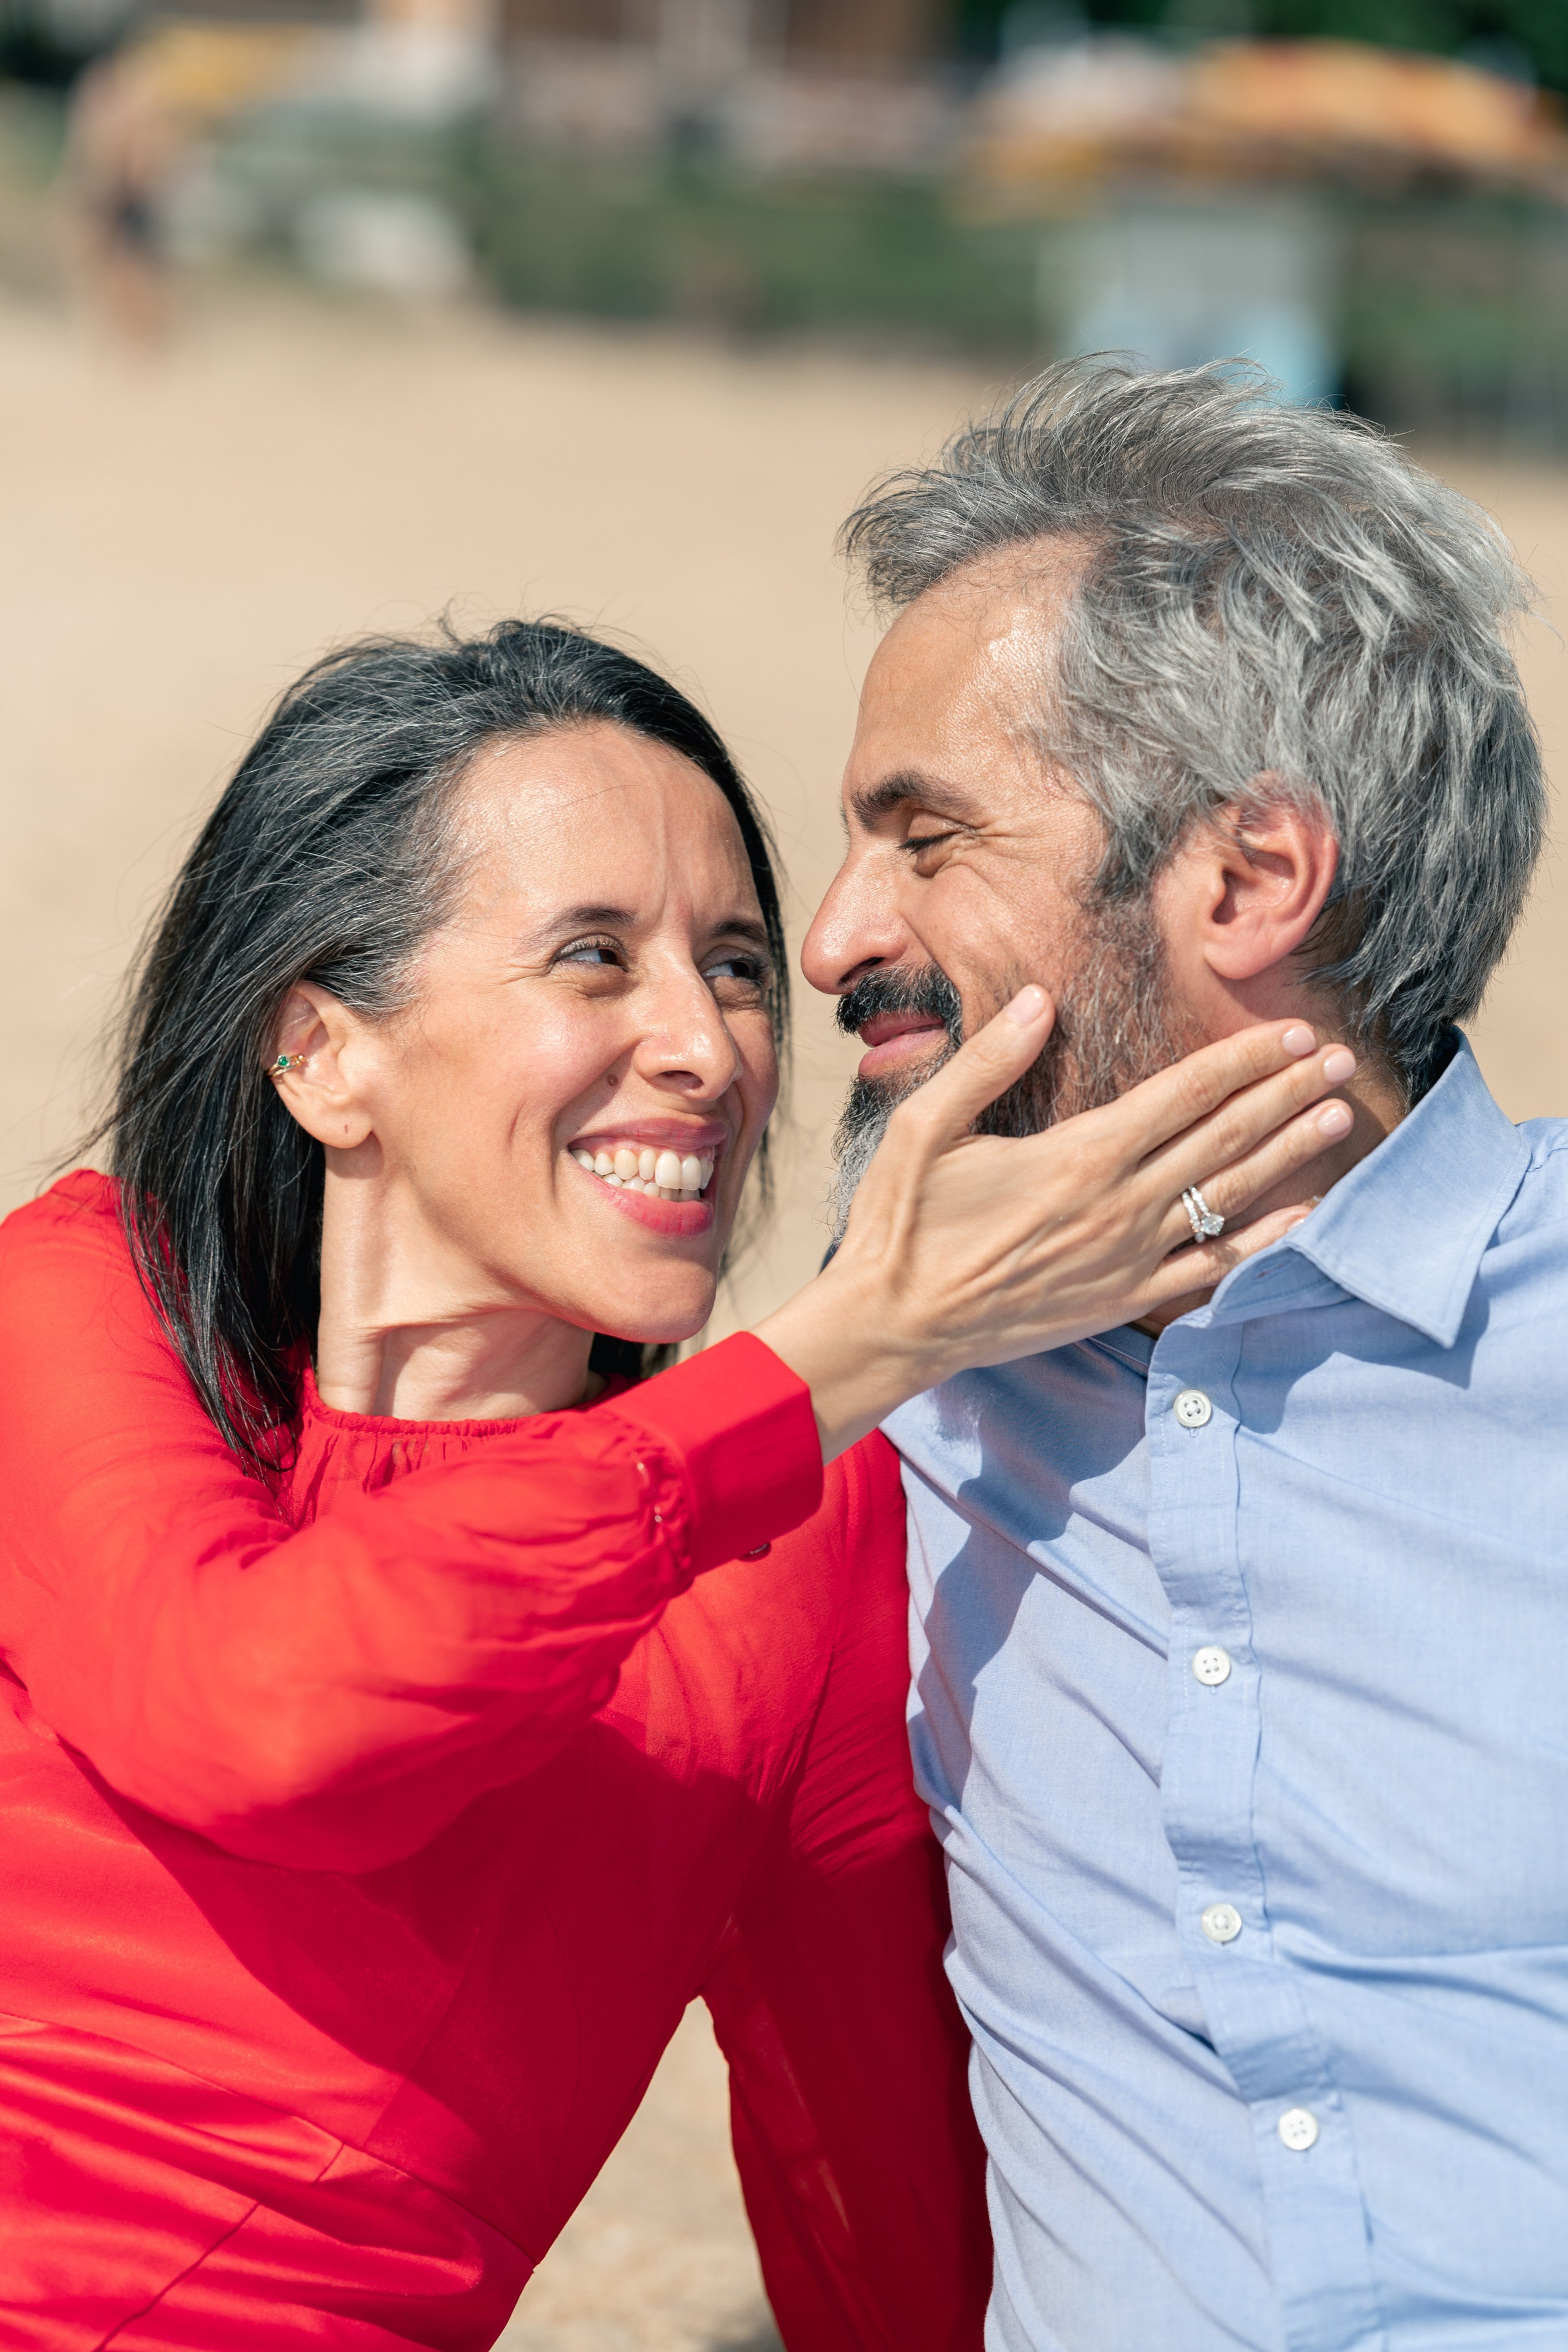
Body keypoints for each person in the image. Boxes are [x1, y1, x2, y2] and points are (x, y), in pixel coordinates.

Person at [0, 619, 1347, 2346]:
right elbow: (262, 1715)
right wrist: (866, 1336)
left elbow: (877, 2186)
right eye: (591, 960)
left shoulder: (784, 1565)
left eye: (728, 966)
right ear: (323, 1053)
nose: (709, 1053)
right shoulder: (84, 1301)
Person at [805, 356, 1566, 2352]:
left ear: (1247, 879)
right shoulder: (896, 1387)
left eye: (927, 836)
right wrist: (856, 1348)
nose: (831, 937)